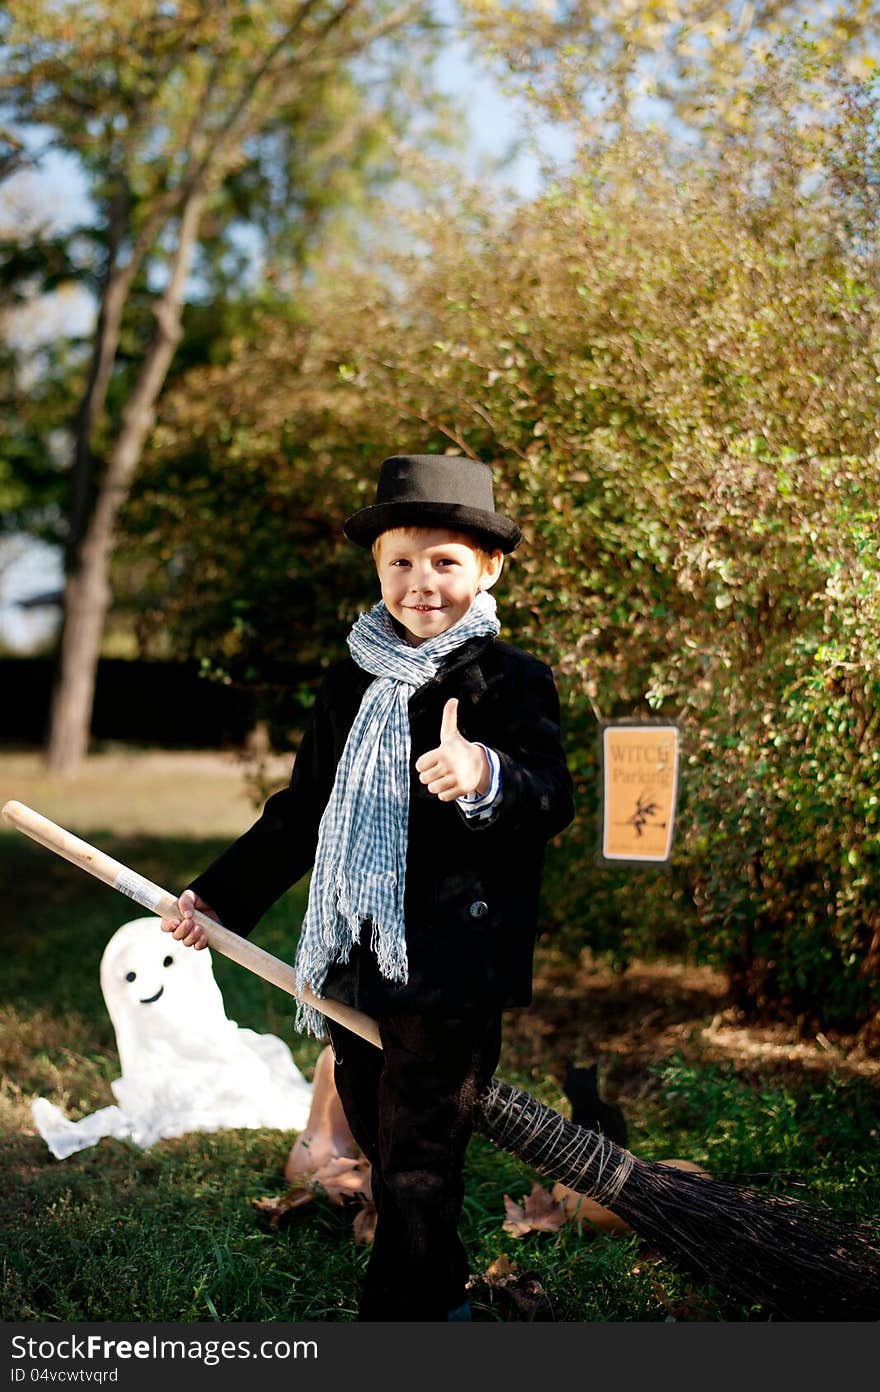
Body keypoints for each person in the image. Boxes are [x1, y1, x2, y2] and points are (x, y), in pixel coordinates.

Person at [161, 453, 575, 1321]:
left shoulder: (512, 681)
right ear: (375, 567)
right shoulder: (351, 677)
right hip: (357, 947)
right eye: (400, 561)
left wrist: (485, 773)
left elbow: (551, 797)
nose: (422, 582)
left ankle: (407, 1314)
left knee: (422, 1153)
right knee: (381, 1135)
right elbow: (302, 809)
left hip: (453, 963)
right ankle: (438, 1293)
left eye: (446, 561)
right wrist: (218, 899)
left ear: (489, 568)